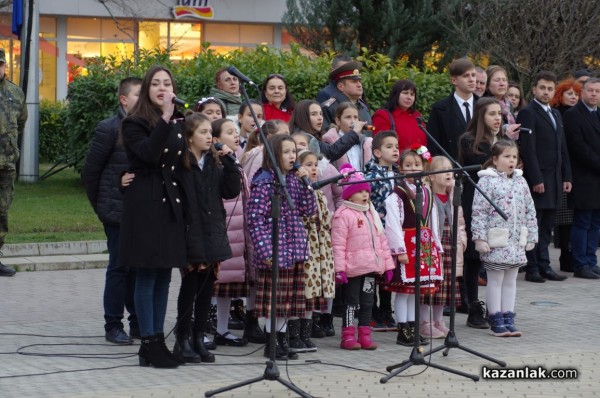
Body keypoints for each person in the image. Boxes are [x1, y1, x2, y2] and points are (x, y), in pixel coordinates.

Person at [119, 65, 187, 368]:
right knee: (146, 275)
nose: (162, 88)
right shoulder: (135, 122)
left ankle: (158, 340)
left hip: (169, 203)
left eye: (167, 83)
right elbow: (147, 153)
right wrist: (165, 118)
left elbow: (177, 158)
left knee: (163, 275)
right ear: (147, 89)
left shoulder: (175, 120)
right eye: (156, 83)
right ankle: (147, 341)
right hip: (145, 203)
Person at [173, 112, 241, 363]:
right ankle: (182, 339)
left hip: (212, 232)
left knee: (206, 289)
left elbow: (230, 190)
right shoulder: (181, 163)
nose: (208, 137)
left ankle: (199, 337)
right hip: (191, 233)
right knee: (189, 288)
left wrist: (231, 162)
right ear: (189, 137)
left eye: (209, 133)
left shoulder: (214, 162)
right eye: (202, 132)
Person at [247, 134, 317, 360]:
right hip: (274, 249)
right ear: (274, 154)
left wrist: (307, 184)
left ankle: (282, 339)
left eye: (293, 152)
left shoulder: (295, 180)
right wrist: (266, 251)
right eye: (286, 152)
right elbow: (255, 219)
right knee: (274, 301)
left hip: (294, 247)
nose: (291, 156)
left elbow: (308, 210)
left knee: (287, 301)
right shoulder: (264, 181)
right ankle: (272, 342)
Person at [83, 76, 141, 344]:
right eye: (139, 95)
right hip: (116, 211)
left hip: (145, 211)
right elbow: (91, 172)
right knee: (119, 268)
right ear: (124, 99)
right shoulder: (108, 128)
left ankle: (139, 321)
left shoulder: (150, 128)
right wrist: (103, 208)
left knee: (140, 268)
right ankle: (113, 325)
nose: (144, 100)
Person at [471, 140, 538, 337]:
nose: (511, 161)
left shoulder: (521, 181)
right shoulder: (486, 181)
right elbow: (479, 212)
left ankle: (509, 317)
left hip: (516, 241)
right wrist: (479, 238)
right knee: (495, 279)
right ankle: (495, 318)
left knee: (511, 280)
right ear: (495, 159)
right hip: (497, 241)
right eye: (506, 156)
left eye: (514, 157)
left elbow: (529, 209)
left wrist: (531, 234)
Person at [381, 146, 443, 346]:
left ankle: (413, 325)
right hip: (407, 245)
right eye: (408, 165)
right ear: (401, 169)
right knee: (403, 290)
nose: (413, 168)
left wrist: (436, 244)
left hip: (424, 245)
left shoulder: (426, 192)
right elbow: (393, 223)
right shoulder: (397, 194)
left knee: (415, 290)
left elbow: (432, 220)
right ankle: (403, 329)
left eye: (417, 164)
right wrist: (399, 249)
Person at [457, 97, 510, 330]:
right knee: (473, 259)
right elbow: (482, 166)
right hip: (474, 203)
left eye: (499, 113)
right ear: (481, 117)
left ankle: (497, 306)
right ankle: (473, 307)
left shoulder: (505, 141)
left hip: (500, 205)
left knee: (497, 255)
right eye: (492, 114)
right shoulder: (470, 141)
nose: (497, 118)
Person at [331, 163, 395, 350]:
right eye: (360, 192)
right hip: (352, 270)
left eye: (366, 192)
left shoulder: (370, 213)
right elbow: (338, 244)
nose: (365, 195)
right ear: (350, 194)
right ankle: (348, 335)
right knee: (351, 303)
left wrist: (388, 266)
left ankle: (364, 334)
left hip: (370, 268)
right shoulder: (343, 214)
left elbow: (381, 241)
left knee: (367, 303)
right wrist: (339, 269)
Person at [517, 71, 571, 283]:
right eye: (542, 88)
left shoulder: (556, 114)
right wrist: (536, 179)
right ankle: (533, 268)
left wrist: (567, 176)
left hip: (555, 179)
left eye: (550, 89)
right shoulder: (528, 113)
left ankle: (545, 265)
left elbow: (562, 148)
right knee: (534, 225)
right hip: (539, 179)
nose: (546, 92)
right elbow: (528, 150)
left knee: (548, 225)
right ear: (534, 89)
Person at [287, 150, 335, 353]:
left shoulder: (319, 193)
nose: (313, 168)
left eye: (315, 164)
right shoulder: (297, 190)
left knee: (313, 293)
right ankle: (293, 334)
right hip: (304, 246)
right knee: (300, 292)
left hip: (319, 249)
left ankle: (306, 334)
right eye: (308, 164)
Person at [419, 155, 467, 339]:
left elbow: (460, 221)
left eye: (450, 169)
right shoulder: (426, 195)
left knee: (445, 287)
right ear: (431, 176)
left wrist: (461, 240)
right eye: (443, 170)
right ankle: (424, 322)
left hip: (450, 245)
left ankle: (439, 321)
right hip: (432, 247)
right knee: (429, 286)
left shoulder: (453, 195)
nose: (449, 173)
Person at [363, 131, 401, 332]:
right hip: (375, 231)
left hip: (392, 231)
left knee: (388, 272)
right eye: (389, 146)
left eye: (396, 146)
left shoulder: (398, 173)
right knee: (372, 272)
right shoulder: (371, 176)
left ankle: (386, 310)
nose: (395, 150)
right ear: (377, 152)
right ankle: (370, 312)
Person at [563, 77, 600, 280]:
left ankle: (590, 261)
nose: (594, 94)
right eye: (590, 90)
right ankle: (580, 264)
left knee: (596, 223)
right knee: (583, 221)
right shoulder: (573, 115)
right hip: (584, 177)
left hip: (597, 179)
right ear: (582, 92)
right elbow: (579, 148)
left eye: (598, 91)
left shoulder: (599, 114)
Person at [0, 48, 27, 277]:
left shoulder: (15, 93)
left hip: (6, 165)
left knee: (2, 213)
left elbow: (22, 122)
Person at [550, 79, 582, 272]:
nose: (573, 97)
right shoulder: (558, 114)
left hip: (572, 171)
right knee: (560, 217)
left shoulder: (576, 115)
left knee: (569, 217)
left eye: (576, 94)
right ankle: (562, 254)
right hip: (559, 170)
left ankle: (567, 255)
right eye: (569, 93)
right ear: (560, 95)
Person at [427, 58, 478, 160]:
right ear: (454, 80)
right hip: (451, 168)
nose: (472, 79)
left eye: (473, 75)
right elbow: (434, 144)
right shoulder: (440, 109)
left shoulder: (484, 106)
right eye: (466, 76)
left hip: (481, 169)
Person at [289, 99, 361, 163]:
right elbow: (331, 152)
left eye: (321, 114)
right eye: (314, 114)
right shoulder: (304, 137)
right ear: (303, 117)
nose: (320, 118)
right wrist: (354, 133)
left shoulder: (306, 135)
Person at [372, 79, 427, 150]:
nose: (409, 97)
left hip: (419, 160)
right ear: (396, 94)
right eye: (405, 93)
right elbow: (381, 146)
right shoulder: (383, 115)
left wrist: (427, 159)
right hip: (395, 160)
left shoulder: (417, 116)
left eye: (412, 94)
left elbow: (424, 143)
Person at [321, 61, 372, 132]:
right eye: (354, 81)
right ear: (340, 86)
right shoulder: (329, 108)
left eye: (359, 81)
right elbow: (327, 139)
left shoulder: (363, 106)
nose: (359, 85)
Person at [322, 102, 372, 171]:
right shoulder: (329, 142)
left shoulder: (365, 142)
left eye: (355, 117)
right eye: (348, 117)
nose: (353, 121)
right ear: (338, 121)